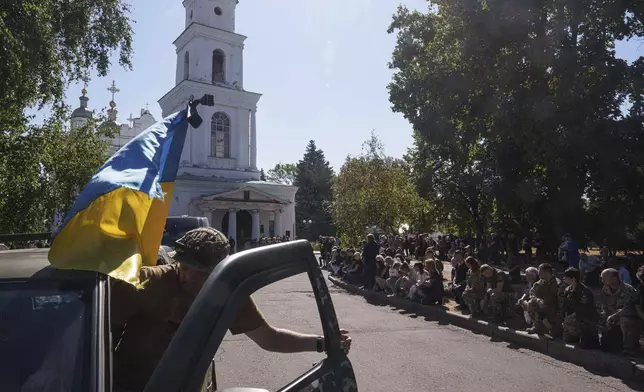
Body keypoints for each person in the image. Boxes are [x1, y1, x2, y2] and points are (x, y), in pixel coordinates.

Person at [111, 227, 352, 392]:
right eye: (183, 267)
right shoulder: (147, 282)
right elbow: (92, 313)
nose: (186, 277)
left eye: (199, 273)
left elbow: (269, 338)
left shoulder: (225, 291)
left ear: (218, 272)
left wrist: (322, 342)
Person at [561, 268, 599, 347]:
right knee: (567, 338)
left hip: (585, 318)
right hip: (573, 317)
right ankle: (575, 335)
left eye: (566, 277)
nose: (564, 279)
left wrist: (569, 318)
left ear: (573, 278)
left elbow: (583, 309)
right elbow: (565, 305)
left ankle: (586, 335)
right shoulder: (568, 289)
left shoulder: (584, 291)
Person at [527, 263, 562, 337]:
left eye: (539, 270)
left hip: (555, 309)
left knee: (556, 332)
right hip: (543, 306)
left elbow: (560, 300)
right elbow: (532, 293)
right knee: (531, 303)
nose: (538, 273)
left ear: (546, 272)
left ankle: (553, 327)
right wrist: (538, 300)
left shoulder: (558, 283)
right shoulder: (540, 283)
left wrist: (546, 303)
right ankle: (537, 327)